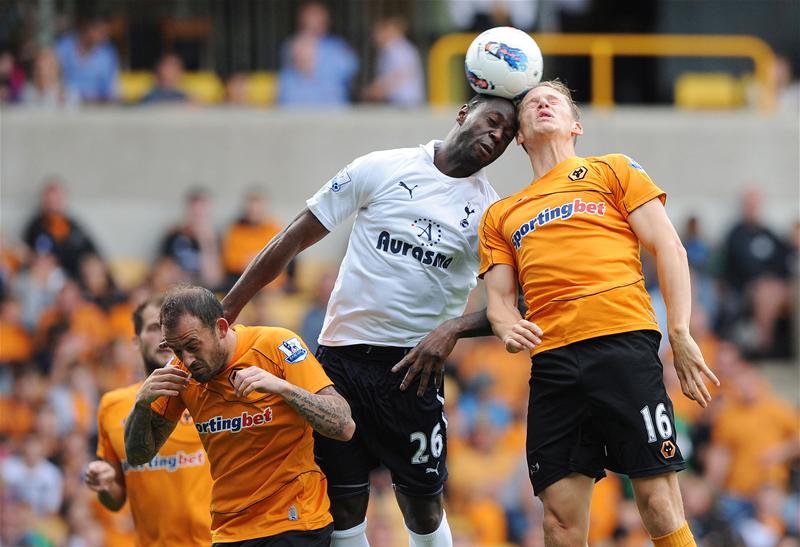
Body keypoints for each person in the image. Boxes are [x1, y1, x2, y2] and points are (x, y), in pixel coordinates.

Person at [221, 93, 518, 546]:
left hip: (413, 370)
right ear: (464, 113)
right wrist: (227, 310)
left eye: (507, 134)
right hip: (339, 362)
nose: (497, 135)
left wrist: (453, 329)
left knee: (422, 508)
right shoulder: (382, 167)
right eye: (492, 120)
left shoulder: (490, 214)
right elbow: (292, 238)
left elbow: (513, 307)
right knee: (343, 506)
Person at [480, 81, 719, 547]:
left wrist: (681, 332)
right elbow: (500, 302)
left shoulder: (611, 169)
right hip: (553, 365)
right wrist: (508, 329)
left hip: (622, 345)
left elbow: (669, 246)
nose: (542, 103)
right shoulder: (501, 214)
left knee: (657, 504)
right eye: (531, 103)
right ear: (520, 136)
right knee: (559, 523)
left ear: (576, 125)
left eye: (553, 100)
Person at [123, 285, 354, 545]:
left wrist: (284, 389)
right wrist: (141, 405)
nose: (187, 360)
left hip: (294, 520)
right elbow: (138, 455)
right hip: (229, 530)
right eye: (177, 351)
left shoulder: (276, 345)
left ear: (221, 328)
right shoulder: (182, 375)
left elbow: (344, 425)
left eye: (192, 346)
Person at [83, 295, 213, 546]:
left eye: (169, 329)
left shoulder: (209, 394)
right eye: (154, 328)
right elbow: (115, 499)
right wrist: (104, 483)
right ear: (135, 342)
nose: (164, 338)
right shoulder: (113, 405)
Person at [277, 1, 358, 107]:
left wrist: (317, 64)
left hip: (331, 113)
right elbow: (284, 85)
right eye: (310, 17)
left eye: (317, 17)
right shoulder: (291, 45)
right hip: (296, 113)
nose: (314, 21)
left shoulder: (337, 47)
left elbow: (351, 67)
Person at [23, 178, 101, 279]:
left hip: (76, 280)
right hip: (47, 280)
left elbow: (94, 253)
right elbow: (25, 254)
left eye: (56, 199)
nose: (53, 204)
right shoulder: (34, 227)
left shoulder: (74, 227)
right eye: (49, 200)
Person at [55, 12, 119, 102]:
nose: (106, 38)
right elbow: (52, 80)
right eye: (102, 32)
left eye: (107, 34)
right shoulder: (64, 46)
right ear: (89, 28)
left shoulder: (107, 53)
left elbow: (112, 91)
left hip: (96, 107)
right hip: (65, 105)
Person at [362, 17, 424, 107]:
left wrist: (377, 90)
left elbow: (400, 75)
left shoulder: (397, 49)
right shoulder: (393, 49)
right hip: (402, 101)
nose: (374, 36)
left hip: (403, 101)